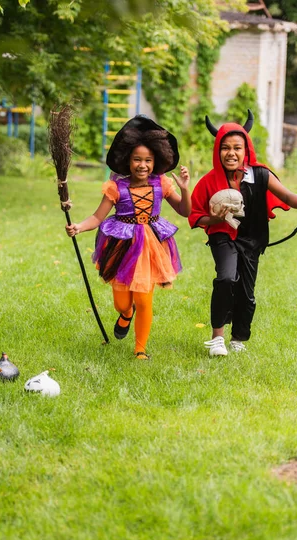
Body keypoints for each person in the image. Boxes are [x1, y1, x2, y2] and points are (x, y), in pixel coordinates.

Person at [189, 110, 297, 356]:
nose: (231, 153)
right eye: (225, 148)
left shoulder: (260, 174)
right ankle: (217, 338)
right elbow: (195, 215)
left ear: (246, 150)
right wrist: (214, 218)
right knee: (225, 279)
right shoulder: (208, 181)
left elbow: (287, 195)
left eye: (237, 148)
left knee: (246, 291)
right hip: (223, 236)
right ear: (218, 150)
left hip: (251, 239)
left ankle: (238, 337)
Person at [66, 115, 191, 359]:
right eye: (137, 159)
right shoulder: (116, 187)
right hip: (122, 246)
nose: (142, 165)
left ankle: (140, 348)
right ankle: (125, 313)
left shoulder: (161, 184)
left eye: (147, 160)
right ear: (128, 160)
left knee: (145, 300)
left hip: (150, 246)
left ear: (156, 161)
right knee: (122, 302)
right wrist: (79, 226)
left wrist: (185, 189)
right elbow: (97, 217)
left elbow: (185, 211)